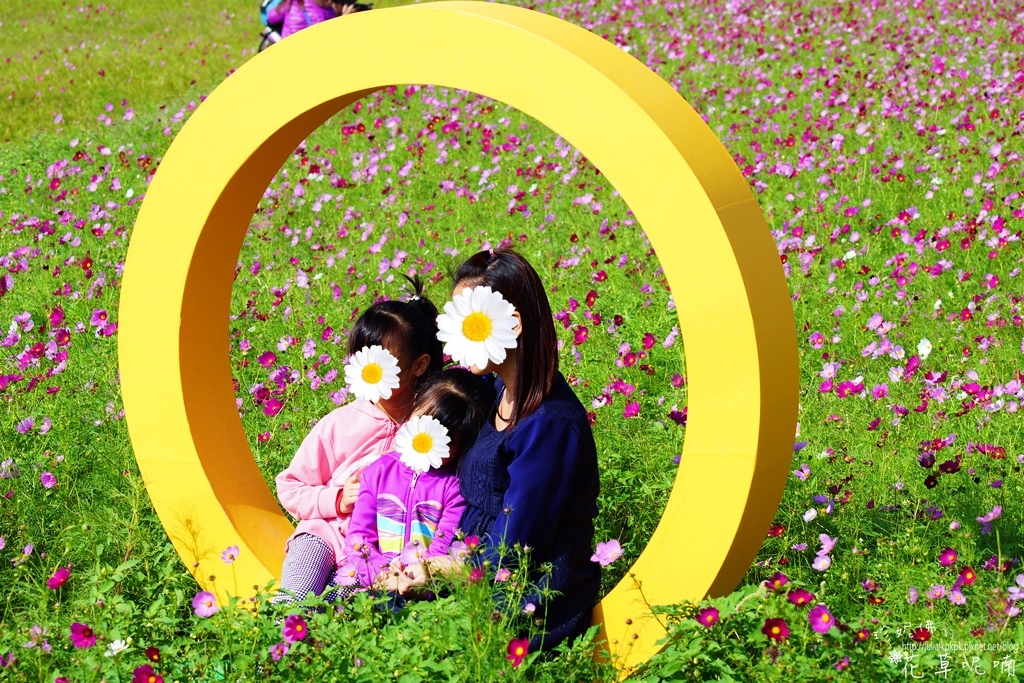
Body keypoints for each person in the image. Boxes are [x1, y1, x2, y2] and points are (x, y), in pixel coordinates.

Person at [401, 247, 601, 652]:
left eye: (471, 324)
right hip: (469, 567)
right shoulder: (495, 390)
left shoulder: (549, 425)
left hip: (527, 594)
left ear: (513, 322)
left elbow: (517, 545)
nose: (458, 339)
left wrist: (440, 571)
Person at [272, 285, 443, 604]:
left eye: (382, 360)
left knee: (342, 610)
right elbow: (291, 486)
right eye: (362, 357)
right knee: (295, 602)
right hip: (323, 535)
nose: (369, 369)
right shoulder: (341, 423)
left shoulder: (429, 431)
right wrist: (337, 499)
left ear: (419, 365)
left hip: (376, 552)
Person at [338, 368, 496, 593]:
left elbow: (442, 548)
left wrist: (413, 579)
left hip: (422, 589)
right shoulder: (378, 472)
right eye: (423, 424)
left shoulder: (455, 487)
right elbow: (359, 538)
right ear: (414, 407)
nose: (427, 441)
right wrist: (382, 575)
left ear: (464, 447)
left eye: (445, 440)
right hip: (373, 581)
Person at [265, 0, 353, 41]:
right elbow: (326, 40)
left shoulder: (293, 2)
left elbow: (271, 17)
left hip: (286, 47)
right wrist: (343, 19)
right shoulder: (323, 15)